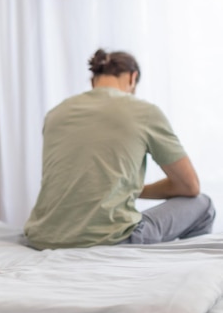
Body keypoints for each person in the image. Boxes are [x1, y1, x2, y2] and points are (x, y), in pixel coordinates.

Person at [24, 48, 215, 250]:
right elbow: (189, 186)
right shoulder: (143, 111)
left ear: (93, 80)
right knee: (202, 204)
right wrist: (131, 190)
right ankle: (182, 271)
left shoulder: (56, 114)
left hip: (42, 238)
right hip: (112, 239)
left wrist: (114, 188)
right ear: (132, 78)